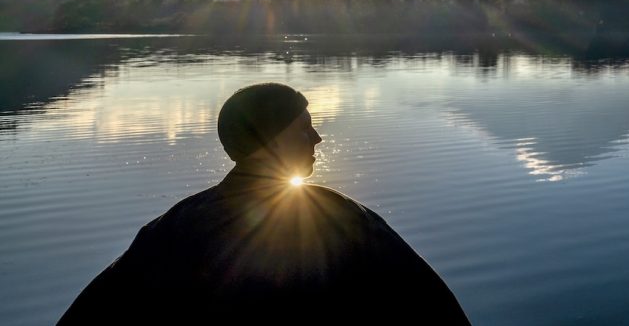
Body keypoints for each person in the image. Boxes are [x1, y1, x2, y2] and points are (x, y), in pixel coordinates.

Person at [59, 82, 470, 324]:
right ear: (268, 140)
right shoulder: (342, 219)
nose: (318, 139)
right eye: (304, 129)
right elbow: (433, 308)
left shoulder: (172, 228)